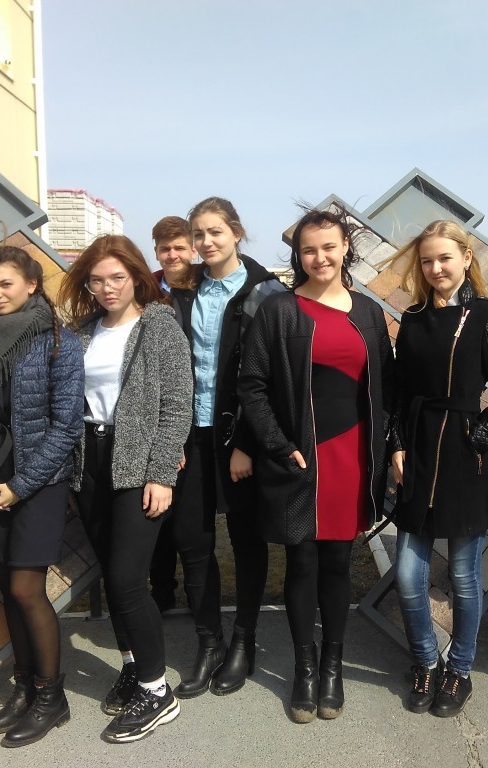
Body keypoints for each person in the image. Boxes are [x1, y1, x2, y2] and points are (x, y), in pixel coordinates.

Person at [238, 207, 393, 722]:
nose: (320, 257)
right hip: (300, 457)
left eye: (329, 247)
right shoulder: (278, 310)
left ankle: (332, 667)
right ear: (297, 255)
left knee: (338, 563)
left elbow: (385, 389)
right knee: (302, 562)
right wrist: (278, 445)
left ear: (345, 247)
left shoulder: (369, 313)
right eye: (309, 249)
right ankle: (304, 668)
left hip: (352, 457)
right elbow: (252, 386)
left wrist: (387, 447)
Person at [57, 234, 192, 743]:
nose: (107, 287)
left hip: (138, 462)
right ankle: (134, 666)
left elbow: (177, 403)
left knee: (128, 578)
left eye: (117, 277)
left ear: (136, 277)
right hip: (90, 460)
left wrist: (162, 473)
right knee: (112, 578)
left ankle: (158, 693)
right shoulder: (82, 331)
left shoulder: (159, 325)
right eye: (97, 280)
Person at [386, 219, 488, 718]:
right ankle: (426, 661)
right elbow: (400, 391)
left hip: (466, 454)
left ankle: (459, 670)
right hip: (418, 449)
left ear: (466, 258)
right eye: (427, 260)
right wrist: (397, 445)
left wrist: (478, 435)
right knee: (408, 574)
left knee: (464, 576)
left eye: (444, 257)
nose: (435, 267)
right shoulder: (413, 318)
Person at [0, 245, 84, 747]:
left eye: (6, 283)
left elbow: (66, 424)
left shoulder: (57, 341)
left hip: (39, 483)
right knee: (7, 587)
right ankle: (25, 686)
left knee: (29, 590)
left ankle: (53, 697)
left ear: (31, 284)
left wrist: (20, 486)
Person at [164, 197, 284, 699]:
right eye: (199, 234)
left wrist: (249, 445)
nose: (206, 242)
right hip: (190, 433)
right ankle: (209, 641)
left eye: (215, 232)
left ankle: (244, 639)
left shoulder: (265, 292)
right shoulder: (183, 291)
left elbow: (271, 378)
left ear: (236, 232)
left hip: (238, 437)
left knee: (245, 540)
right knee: (192, 540)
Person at [148, 215, 198, 613]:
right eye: (165, 248)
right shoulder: (145, 289)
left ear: (193, 248)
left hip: (201, 411)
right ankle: (162, 591)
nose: (172, 254)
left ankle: (200, 595)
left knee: (191, 516)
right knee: (158, 512)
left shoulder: (206, 286)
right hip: (159, 410)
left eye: (180, 247)